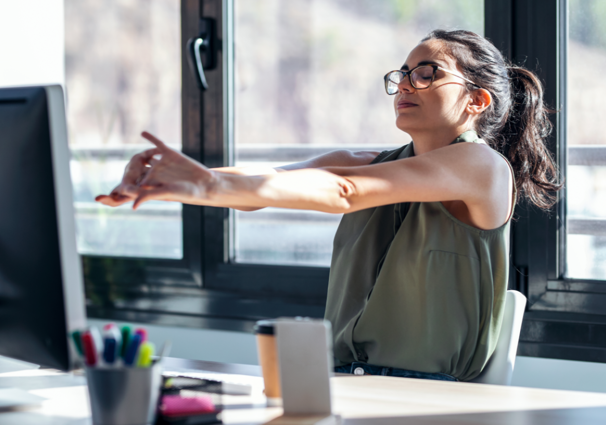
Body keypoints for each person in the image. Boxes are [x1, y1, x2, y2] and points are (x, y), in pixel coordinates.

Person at [96, 29, 561, 382]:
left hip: (428, 395)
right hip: (340, 382)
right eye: (402, 74)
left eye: (427, 73)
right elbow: (270, 183)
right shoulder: (369, 164)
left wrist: (205, 186)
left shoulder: (482, 166)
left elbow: (344, 191)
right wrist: (176, 181)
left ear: (477, 100)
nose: (405, 84)